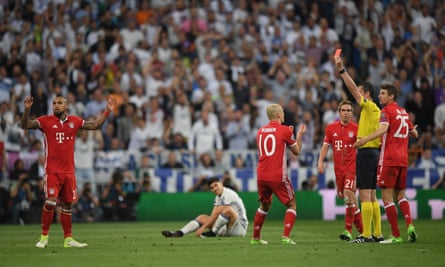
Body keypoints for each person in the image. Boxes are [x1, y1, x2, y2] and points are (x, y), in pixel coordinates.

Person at [21, 94, 117, 248]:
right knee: (51, 201)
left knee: (67, 205)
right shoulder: (45, 121)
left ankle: (68, 239)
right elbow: (25, 125)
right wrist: (26, 110)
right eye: (54, 103)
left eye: (59, 103)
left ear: (66, 106)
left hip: (69, 172)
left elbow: (95, 125)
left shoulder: (75, 121)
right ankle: (44, 238)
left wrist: (107, 110)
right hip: (52, 171)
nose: (56, 105)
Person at [355, 83, 418, 244]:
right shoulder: (403, 112)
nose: (380, 96)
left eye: (383, 93)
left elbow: (383, 129)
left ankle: (396, 235)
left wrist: (365, 140)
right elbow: (414, 133)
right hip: (403, 160)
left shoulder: (386, 111)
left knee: (387, 197)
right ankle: (410, 226)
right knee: (401, 195)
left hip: (389, 158)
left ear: (391, 96)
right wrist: (411, 132)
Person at [335, 53, 383, 243]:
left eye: (361, 92)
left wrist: (341, 70)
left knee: (364, 195)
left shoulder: (369, 106)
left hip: (366, 152)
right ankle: (377, 233)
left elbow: (352, 88)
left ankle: (365, 234)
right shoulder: (375, 111)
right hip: (374, 152)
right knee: (372, 195)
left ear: (367, 94)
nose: (358, 95)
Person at [251, 103, 306, 245]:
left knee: (264, 206)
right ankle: (286, 237)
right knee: (292, 205)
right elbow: (297, 151)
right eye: (282, 112)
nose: (284, 114)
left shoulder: (260, 131)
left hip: (261, 175)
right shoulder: (285, 131)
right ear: (278, 115)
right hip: (277, 175)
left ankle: (255, 238)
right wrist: (298, 136)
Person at [317, 100, 363, 241]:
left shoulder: (357, 128)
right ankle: (364, 231)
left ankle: (348, 230)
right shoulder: (331, 128)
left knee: (349, 195)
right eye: (343, 110)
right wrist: (320, 161)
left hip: (352, 167)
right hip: (338, 170)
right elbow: (325, 146)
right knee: (347, 199)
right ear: (339, 112)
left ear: (352, 113)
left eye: (349, 110)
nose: (346, 113)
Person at [161, 177, 248, 238]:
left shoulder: (229, 194)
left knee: (228, 210)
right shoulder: (218, 197)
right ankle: (179, 233)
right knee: (202, 217)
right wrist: (206, 224)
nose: (214, 189)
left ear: (221, 184)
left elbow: (219, 212)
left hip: (239, 228)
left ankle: (213, 233)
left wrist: (203, 228)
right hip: (228, 227)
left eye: (216, 185)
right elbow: (213, 215)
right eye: (212, 188)